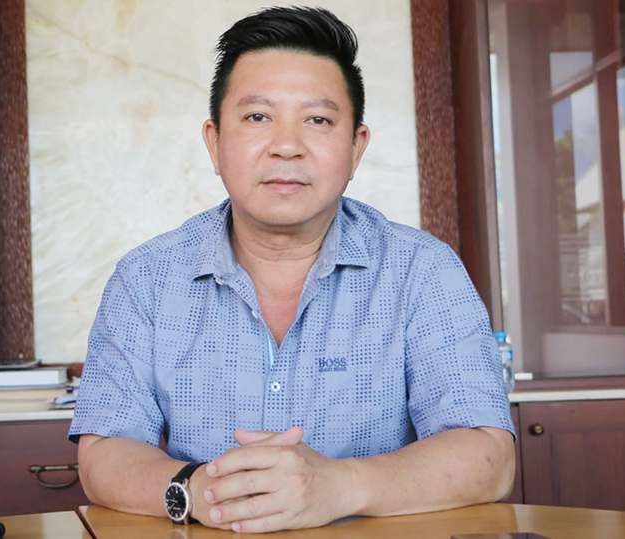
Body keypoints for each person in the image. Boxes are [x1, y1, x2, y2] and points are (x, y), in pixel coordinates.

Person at [69, 6, 515, 534]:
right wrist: (199, 491)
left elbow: (488, 455)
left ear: (356, 148)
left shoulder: (423, 270)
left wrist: (340, 485)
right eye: (258, 117)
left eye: (318, 120)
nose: (286, 145)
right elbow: (105, 451)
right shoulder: (146, 278)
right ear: (214, 142)